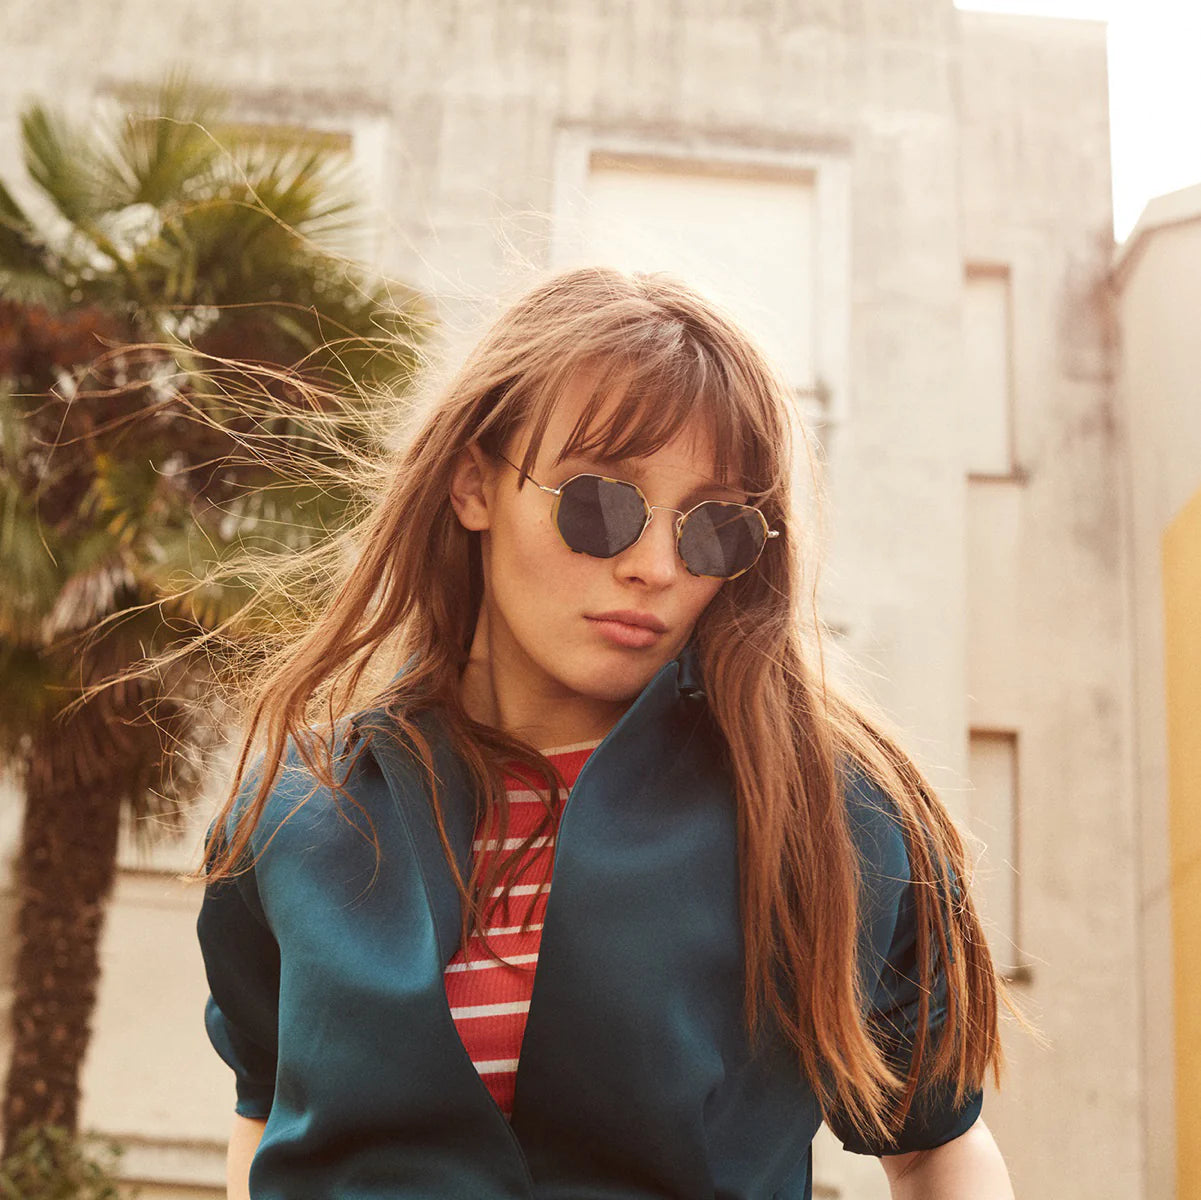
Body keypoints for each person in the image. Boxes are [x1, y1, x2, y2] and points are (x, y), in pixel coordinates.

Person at [196, 265, 1021, 1199]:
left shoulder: (833, 814)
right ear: (474, 484)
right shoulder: (296, 813)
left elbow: (935, 1147)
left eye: (714, 528)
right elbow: (261, 1118)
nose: (657, 566)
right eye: (599, 503)